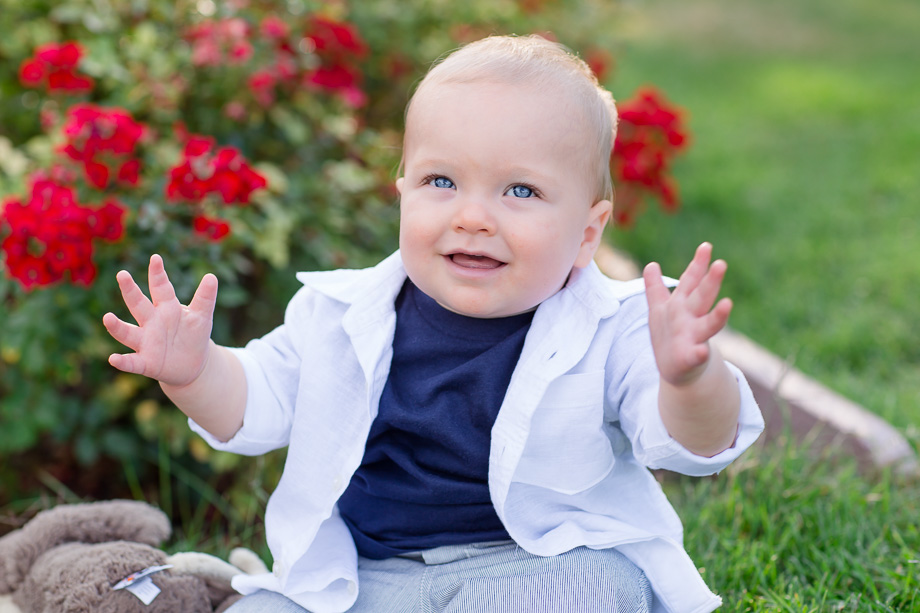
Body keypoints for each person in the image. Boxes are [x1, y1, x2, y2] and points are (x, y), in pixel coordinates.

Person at [103, 35, 763, 613]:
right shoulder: (338, 314)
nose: (472, 216)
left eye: (520, 190)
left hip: (529, 571)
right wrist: (196, 372)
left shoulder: (614, 328)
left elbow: (690, 444)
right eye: (442, 181)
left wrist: (689, 378)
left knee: (599, 585)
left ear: (587, 232)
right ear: (402, 190)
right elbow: (253, 408)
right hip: (362, 583)